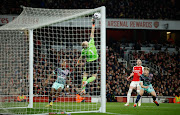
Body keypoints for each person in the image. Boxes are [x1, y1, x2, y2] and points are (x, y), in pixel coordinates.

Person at [76, 17, 99, 95]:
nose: (86, 41)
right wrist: (93, 24)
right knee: (94, 76)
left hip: (88, 63)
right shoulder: (91, 43)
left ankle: (83, 89)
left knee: (85, 74)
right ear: (87, 44)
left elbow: (81, 58)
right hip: (95, 61)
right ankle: (87, 81)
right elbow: (92, 33)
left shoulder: (83, 50)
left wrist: (77, 62)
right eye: (85, 41)